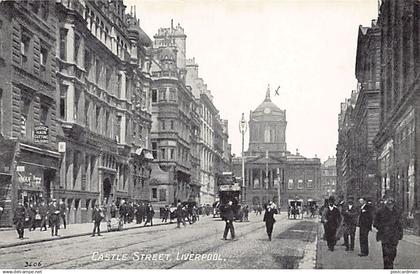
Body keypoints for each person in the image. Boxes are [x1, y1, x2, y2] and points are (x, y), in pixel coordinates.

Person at [374, 195, 403, 269]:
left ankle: (390, 264)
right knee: (386, 253)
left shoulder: (397, 211)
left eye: (392, 204)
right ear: (386, 204)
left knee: (393, 252)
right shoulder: (380, 211)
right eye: (389, 205)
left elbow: (400, 223)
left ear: (394, 204)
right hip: (384, 235)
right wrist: (383, 227)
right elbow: (375, 224)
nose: (390, 206)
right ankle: (387, 268)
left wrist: (400, 233)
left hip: (394, 235)